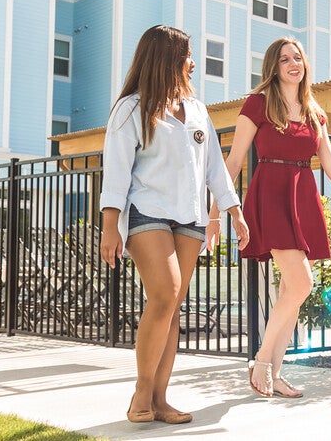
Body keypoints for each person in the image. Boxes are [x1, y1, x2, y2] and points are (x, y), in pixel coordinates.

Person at [99, 25, 248, 423]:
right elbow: (116, 172)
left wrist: (233, 210)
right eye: (187, 55)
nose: (193, 63)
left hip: (191, 217)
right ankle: (140, 393)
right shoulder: (130, 108)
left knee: (173, 305)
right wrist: (110, 226)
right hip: (147, 212)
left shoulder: (197, 110)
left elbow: (215, 167)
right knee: (165, 294)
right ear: (167, 58)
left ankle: (160, 399)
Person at [207, 36, 331, 398]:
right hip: (269, 194)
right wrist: (215, 214)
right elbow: (232, 162)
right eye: (285, 59)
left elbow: (329, 162)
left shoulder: (314, 112)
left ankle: (274, 373)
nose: (294, 63)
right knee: (302, 284)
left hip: (302, 196)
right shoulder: (258, 104)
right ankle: (262, 361)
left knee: (291, 291)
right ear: (273, 67)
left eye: (298, 57)